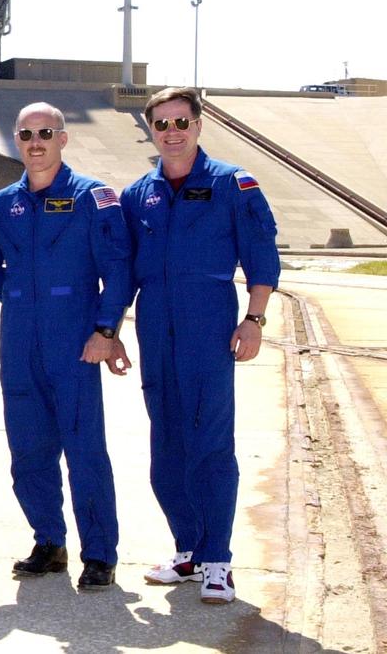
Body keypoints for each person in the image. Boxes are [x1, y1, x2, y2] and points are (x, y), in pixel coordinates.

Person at [120, 86, 279, 604]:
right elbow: (123, 269)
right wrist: (109, 328)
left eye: (180, 122)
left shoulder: (234, 184)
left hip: (208, 326)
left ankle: (218, 561)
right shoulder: (137, 193)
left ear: (198, 125)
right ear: (150, 128)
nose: (171, 132)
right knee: (166, 446)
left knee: (211, 445)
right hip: (154, 327)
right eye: (161, 124)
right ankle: (187, 548)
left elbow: (261, 255)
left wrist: (254, 318)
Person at [0, 102, 131, 591]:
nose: (36, 142)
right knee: (28, 451)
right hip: (20, 342)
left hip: (75, 344)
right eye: (26, 134)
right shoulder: (3, 205)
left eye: (45, 132)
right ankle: (49, 541)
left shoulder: (94, 197)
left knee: (84, 449)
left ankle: (100, 553)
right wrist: (21, 298)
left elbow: (120, 269)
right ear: (16, 141)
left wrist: (105, 330)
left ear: (63, 139)